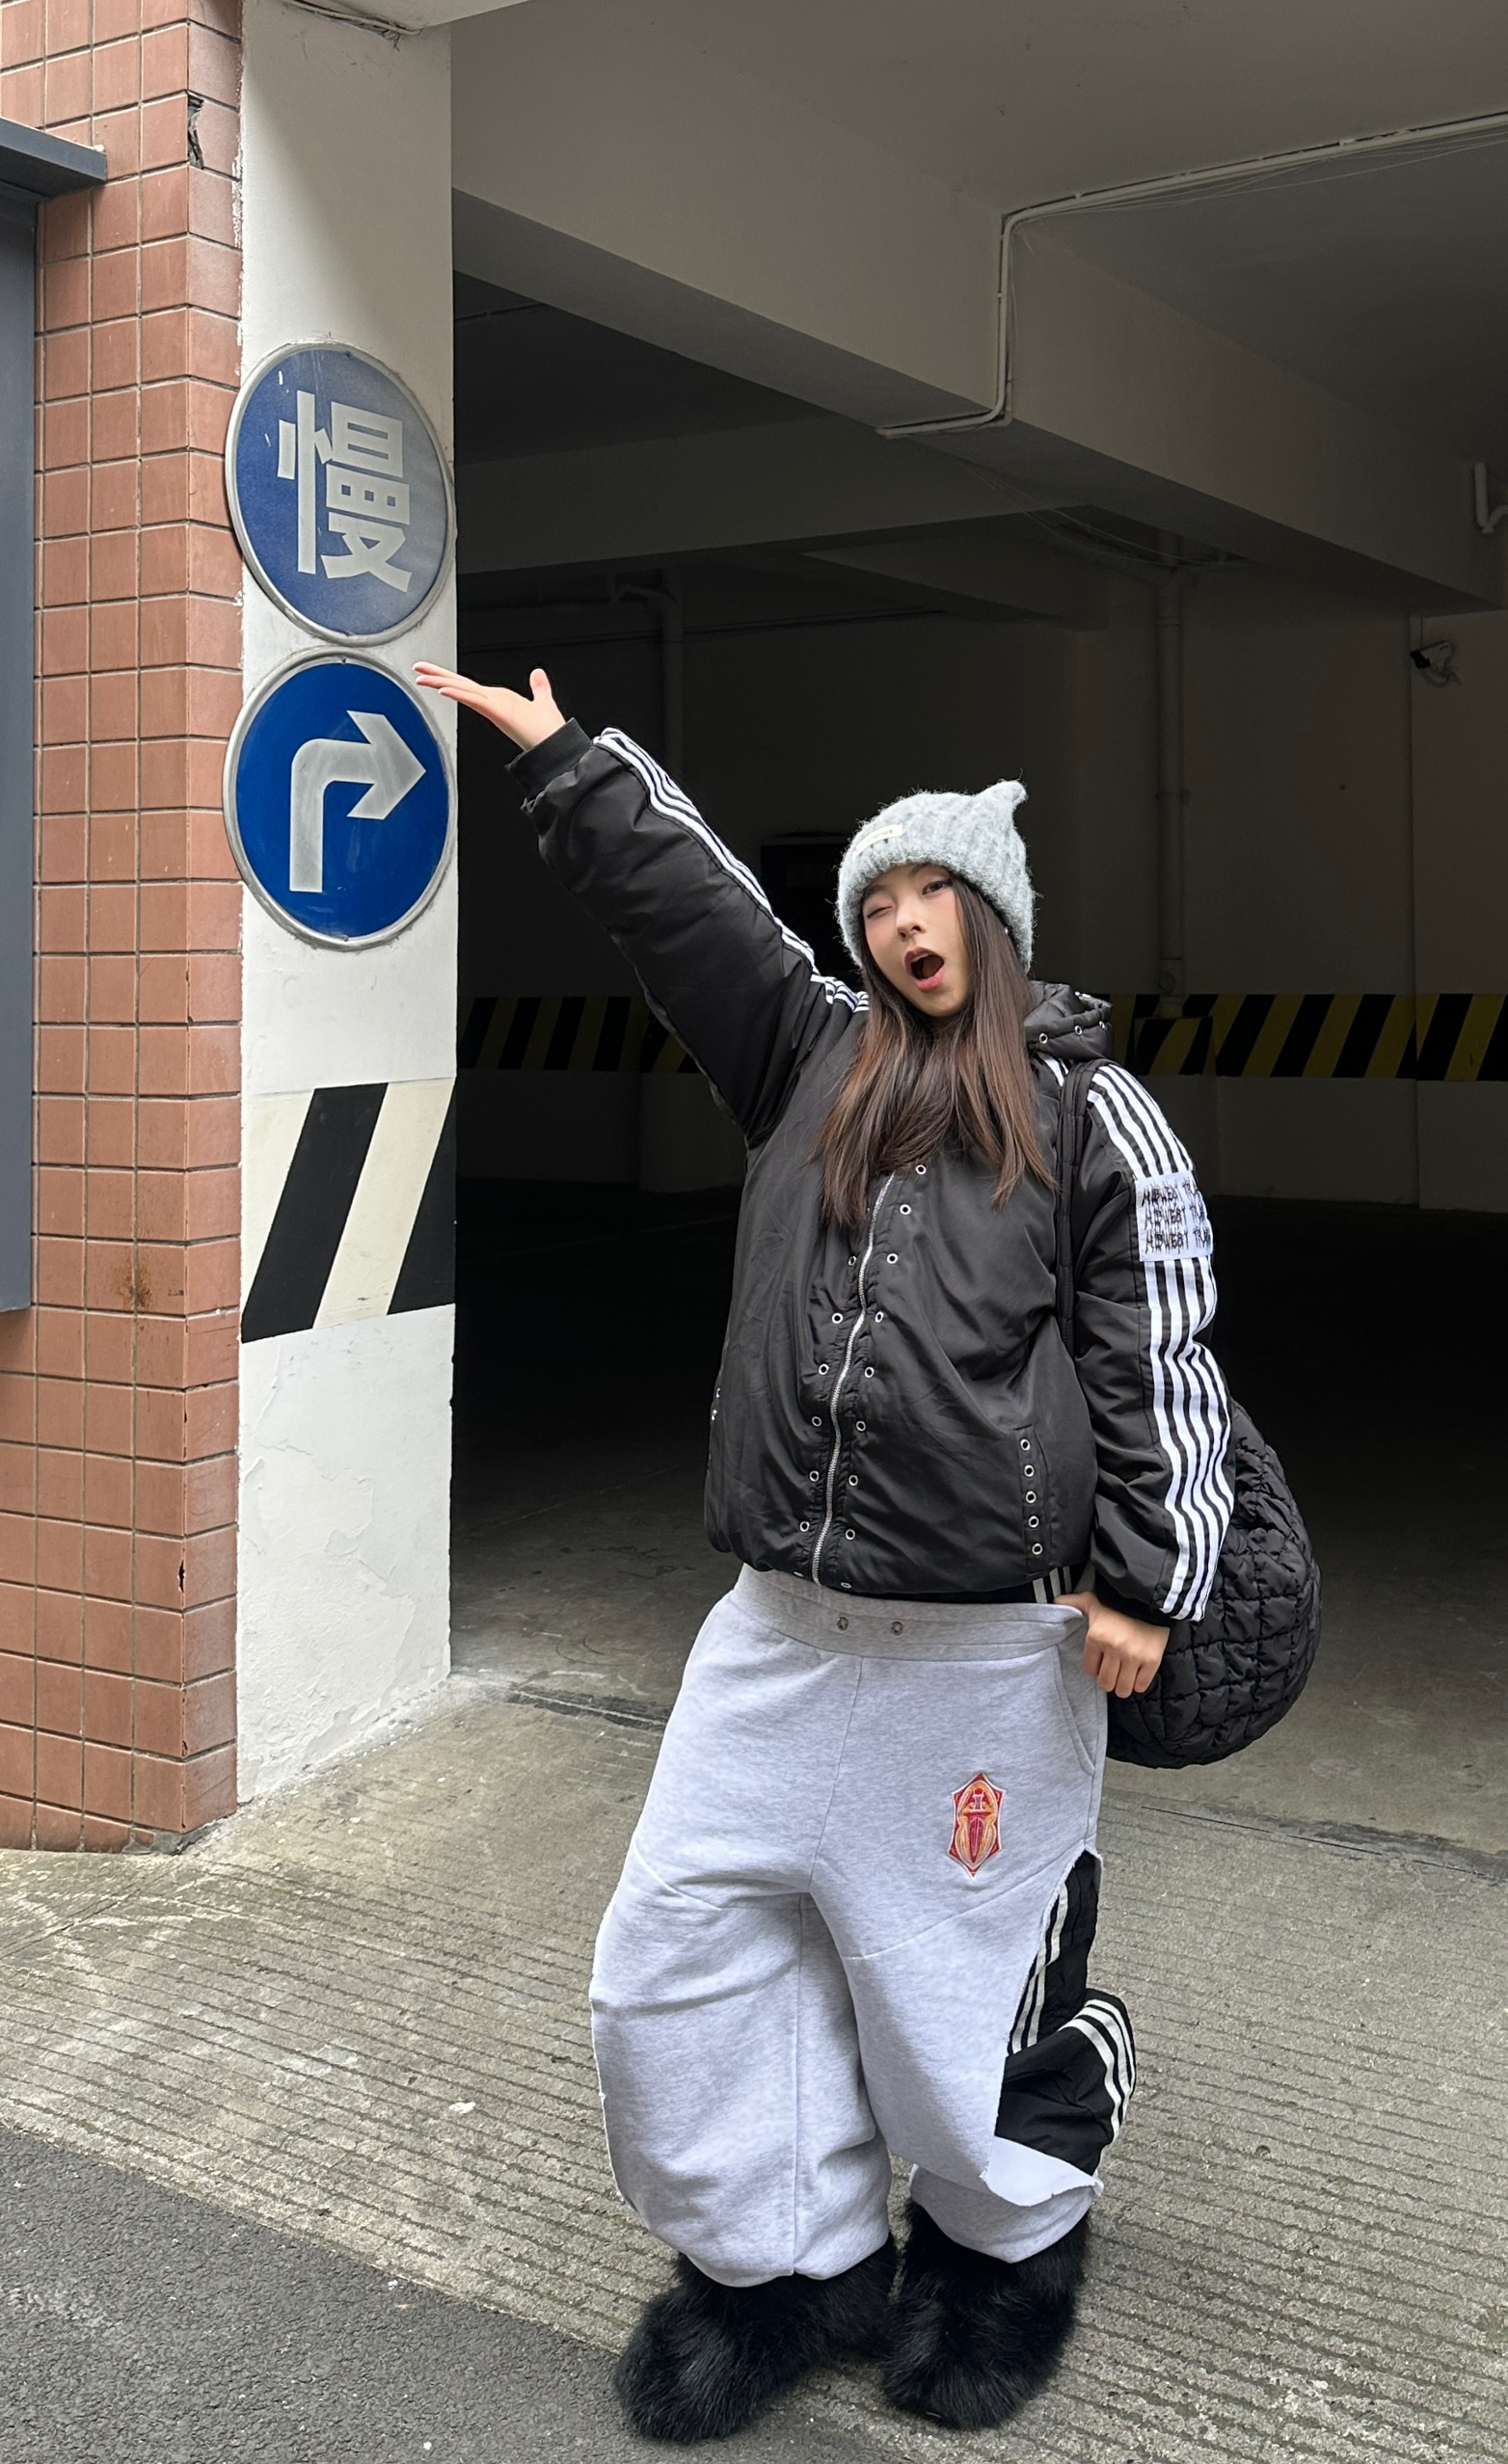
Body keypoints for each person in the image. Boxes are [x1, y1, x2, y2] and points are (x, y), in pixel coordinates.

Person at [416, 663, 1234, 2441]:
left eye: (935, 895)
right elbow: (690, 909)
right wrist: (568, 765)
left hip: (990, 1652)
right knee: (676, 1962)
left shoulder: (1091, 1111)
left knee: (955, 1984)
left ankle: (1005, 2249)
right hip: (776, 1630)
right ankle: (781, 2265)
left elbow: (1160, 1354)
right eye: (877, 901)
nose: (904, 925)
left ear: (993, 921)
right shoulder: (809, 1058)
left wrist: (1148, 1580)